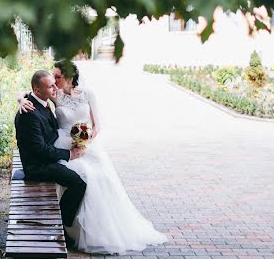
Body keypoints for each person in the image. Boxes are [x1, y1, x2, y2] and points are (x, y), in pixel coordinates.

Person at [18, 58, 169, 254]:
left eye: (58, 77)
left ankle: (100, 227)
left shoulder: (87, 93)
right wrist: (21, 98)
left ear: (70, 77)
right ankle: (71, 229)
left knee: (99, 177)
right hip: (63, 143)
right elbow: (31, 91)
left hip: (86, 144)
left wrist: (84, 143)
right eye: (53, 78)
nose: (55, 82)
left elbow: (97, 126)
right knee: (80, 175)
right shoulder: (57, 96)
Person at [14, 70, 87, 240]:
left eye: (55, 84)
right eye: (50, 86)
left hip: (48, 155)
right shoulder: (29, 113)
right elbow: (39, 149)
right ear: (37, 90)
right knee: (78, 183)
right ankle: (61, 228)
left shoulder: (41, 101)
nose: (55, 88)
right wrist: (69, 154)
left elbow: (25, 92)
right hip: (38, 166)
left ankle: (62, 226)